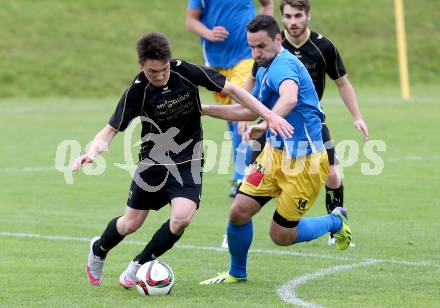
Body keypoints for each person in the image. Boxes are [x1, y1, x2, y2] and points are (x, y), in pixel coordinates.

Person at [71, 32, 292, 288]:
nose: (160, 75)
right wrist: (91, 152)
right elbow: (110, 130)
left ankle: (138, 266)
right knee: (130, 223)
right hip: (153, 164)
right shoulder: (138, 90)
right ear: (141, 65)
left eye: (164, 68)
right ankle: (99, 248)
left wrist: (269, 116)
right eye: (153, 71)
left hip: (190, 161)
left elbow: (232, 90)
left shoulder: (185, 71)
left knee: (182, 218)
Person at [199, 15, 352, 285]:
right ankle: (236, 273)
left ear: (278, 40)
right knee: (238, 211)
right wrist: (205, 110)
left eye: (261, 46)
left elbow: (290, 97)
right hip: (273, 156)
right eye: (251, 47)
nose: (255, 53)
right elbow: (247, 109)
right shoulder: (264, 67)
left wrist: (265, 122)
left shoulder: (284, 66)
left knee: (281, 236)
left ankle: (335, 221)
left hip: (305, 162)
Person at [248, 0, 369, 245]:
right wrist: (248, 113)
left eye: (298, 16)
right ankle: (236, 232)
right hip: (271, 121)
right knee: (251, 177)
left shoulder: (323, 46)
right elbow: (252, 79)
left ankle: (337, 226)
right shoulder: (268, 44)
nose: (293, 22)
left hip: (309, 122)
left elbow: (342, 82)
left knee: (333, 174)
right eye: (288, 16)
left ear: (308, 16)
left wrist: (357, 116)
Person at [185, 0, 274, 197]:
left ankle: (241, 176)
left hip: (245, 57)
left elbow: (267, 4)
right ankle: (259, 165)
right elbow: (191, 20)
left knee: (239, 116)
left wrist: (265, 33)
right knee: (231, 118)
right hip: (216, 63)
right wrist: (208, 33)